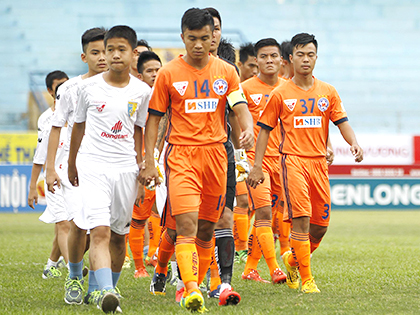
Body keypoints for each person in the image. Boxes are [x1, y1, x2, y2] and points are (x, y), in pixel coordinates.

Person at [139, 8, 253, 313]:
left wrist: (249, 129)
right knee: (185, 225)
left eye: (205, 38)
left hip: (216, 156)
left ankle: (196, 282)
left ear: (212, 36)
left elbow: (239, 105)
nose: (199, 45)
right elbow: (154, 120)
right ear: (182, 38)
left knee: (207, 229)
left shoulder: (227, 72)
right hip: (181, 156)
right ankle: (188, 289)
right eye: (193, 39)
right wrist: (149, 160)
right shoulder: (168, 74)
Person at [248, 33, 363, 293]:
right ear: (291, 58)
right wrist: (257, 165)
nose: (305, 59)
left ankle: (292, 260)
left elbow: (342, 122)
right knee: (301, 218)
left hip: (319, 164)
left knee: (320, 227)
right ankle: (307, 279)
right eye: (300, 54)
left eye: (310, 54)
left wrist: (353, 142)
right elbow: (264, 129)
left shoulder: (328, 91)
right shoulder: (280, 93)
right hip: (293, 161)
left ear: (316, 58)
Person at [67, 25, 151, 313]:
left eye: (121, 49)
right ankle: (105, 292)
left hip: (126, 169)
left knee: (118, 235)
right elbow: (78, 127)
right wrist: (71, 163)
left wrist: (142, 170)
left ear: (132, 54)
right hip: (92, 166)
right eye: (109, 49)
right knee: (99, 231)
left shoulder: (142, 91)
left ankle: (105, 288)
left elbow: (140, 132)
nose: (114, 55)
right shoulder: (88, 88)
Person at [45, 27, 108, 306]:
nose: (103, 57)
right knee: (78, 226)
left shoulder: (121, 87)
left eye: (107, 51)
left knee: (101, 228)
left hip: (107, 166)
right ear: (84, 56)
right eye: (95, 52)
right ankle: (73, 276)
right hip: (75, 166)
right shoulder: (70, 88)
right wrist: (50, 168)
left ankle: (94, 287)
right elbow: (56, 128)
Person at [241, 38, 287, 284]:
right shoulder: (246, 89)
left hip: (282, 161)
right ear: (256, 61)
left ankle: (250, 269)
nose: (269, 60)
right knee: (264, 211)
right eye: (264, 56)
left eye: (273, 56)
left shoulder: (288, 88)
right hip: (255, 161)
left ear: (281, 60)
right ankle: (274, 268)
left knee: (268, 218)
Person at [28, 70, 69, 279]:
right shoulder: (47, 119)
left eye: (66, 85)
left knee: (71, 227)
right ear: (49, 91)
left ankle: (50, 266)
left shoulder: (80, 115)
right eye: (58, 87)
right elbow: (39, 155)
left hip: (77, 179)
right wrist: (33, 186)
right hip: (55, 179)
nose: (63, 90)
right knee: (63, 224)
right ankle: (75, 272)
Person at [128, 50, 163, 278]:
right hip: (141, 158)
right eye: (149, 71)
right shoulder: (135, 98)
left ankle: (159, 258)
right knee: (139, 216)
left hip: (166, 157)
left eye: (158, 70)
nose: (154, 74)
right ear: (140, 75)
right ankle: (139, 266)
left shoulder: (168, 93)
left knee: (163, 212)